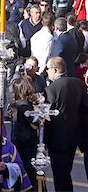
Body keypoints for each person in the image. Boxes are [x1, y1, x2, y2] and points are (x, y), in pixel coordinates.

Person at [45, 57, 88, 192]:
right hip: (75, 137)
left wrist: (45, 139)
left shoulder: (51, 89)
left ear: (55, 69)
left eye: (48, 69)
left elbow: (47, 116)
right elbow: (84, 109)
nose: (47, 72)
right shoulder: (78, 83)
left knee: (60, 175)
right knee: (66, 172)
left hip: (57, 140)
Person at [10, 77, 38, 188]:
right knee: (28, 173)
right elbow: (34, 125)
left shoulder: (16, 104)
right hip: (26, 144)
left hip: (18, 141)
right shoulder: (25, 106)